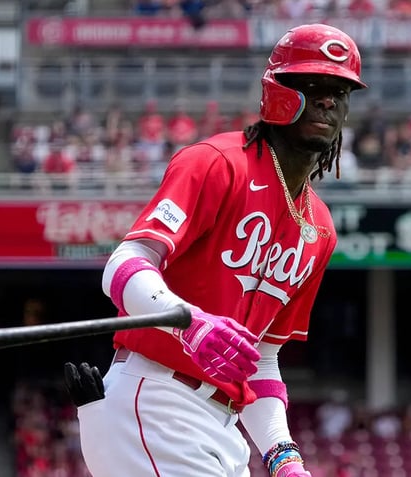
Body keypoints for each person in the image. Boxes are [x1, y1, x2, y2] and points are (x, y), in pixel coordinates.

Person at [65, 23, 367, 477]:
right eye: (312, 85)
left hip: (223, 427)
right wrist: (190, 324)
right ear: (277, 94)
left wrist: (282, 454)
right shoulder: (216, 163)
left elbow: (262, 358)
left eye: (339, 91)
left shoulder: (319, 228)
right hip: (157, 400)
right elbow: (124, 265)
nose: (328, 99)